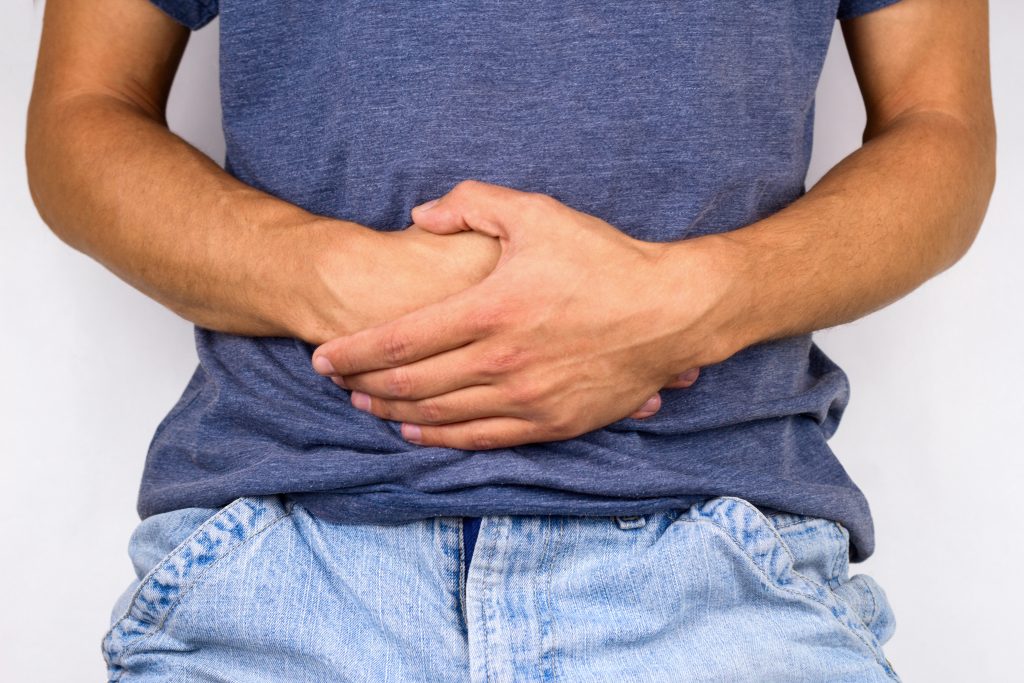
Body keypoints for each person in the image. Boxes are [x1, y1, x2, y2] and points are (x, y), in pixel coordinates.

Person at [26, 0, 994, 680]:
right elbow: (80, 115)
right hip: (289, 551)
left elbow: (940, 128)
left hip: (717, 558)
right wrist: (338, 279)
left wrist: (686, 303)